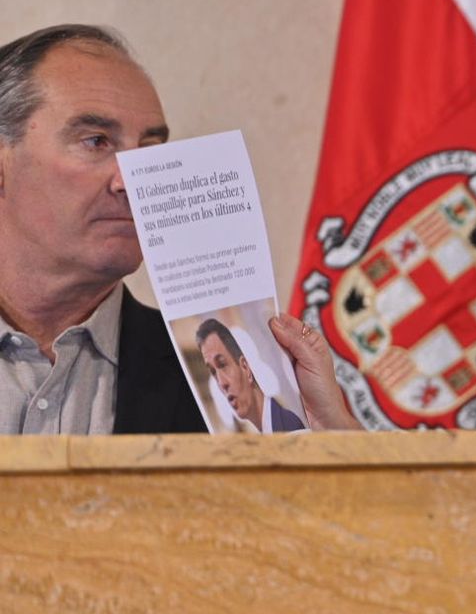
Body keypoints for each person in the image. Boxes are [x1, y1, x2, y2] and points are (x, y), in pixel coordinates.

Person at [0, 23, 357, 434]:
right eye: (96, 141)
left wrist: (332, 441)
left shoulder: (220, 382)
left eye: (150, 151)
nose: (134, 180)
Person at [195, 318, 307, 433]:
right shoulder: (270, 428)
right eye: (213, 372)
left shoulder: (289, 426)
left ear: (246, 368)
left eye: (223, 364)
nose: (221, 383)